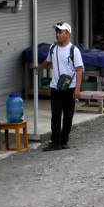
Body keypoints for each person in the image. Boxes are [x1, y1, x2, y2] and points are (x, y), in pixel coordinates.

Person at [36, 23, 83, 151]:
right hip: (56, 87)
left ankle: (65, 140)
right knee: (55, 114)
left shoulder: (74, 50)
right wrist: (39, 68)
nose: (58, 35)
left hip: (70, 87)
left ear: (68, 34)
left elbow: (79, 70)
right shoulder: (53, 48)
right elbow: (48, 61)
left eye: (60, 32)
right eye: (57, 32)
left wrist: (77, 89)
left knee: (68, 114)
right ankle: (55, 141)